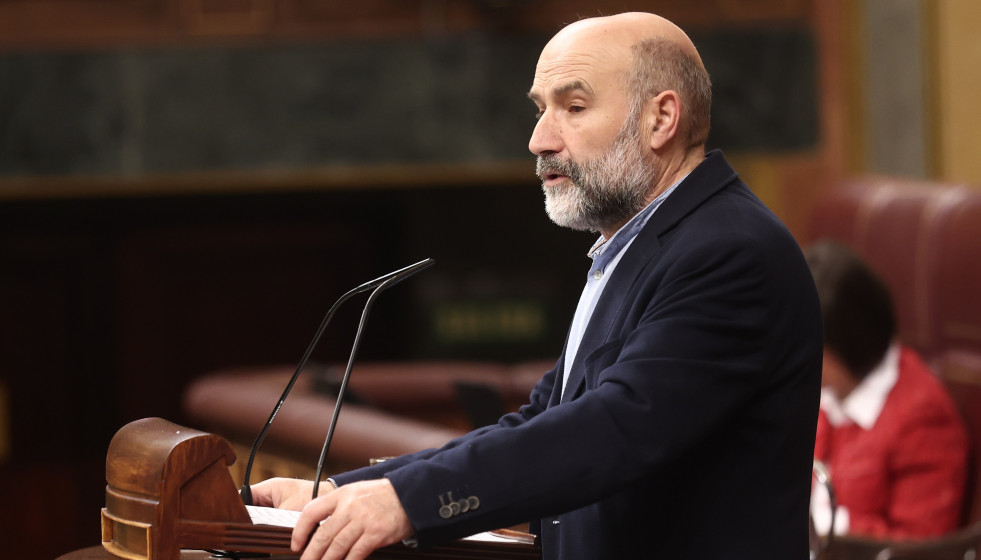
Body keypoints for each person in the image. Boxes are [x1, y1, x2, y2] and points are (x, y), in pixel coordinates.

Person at [252, 12, 823, 560]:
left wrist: (408, 503)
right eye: (540, 110)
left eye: (572, 107)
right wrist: (343, 493)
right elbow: (540, 421)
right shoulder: (638, 247)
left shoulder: (730, 252)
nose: (539, 139)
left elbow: (613, 429)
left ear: (660, 119)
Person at [807, 239, 969, 539]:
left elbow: (918, 545)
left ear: (848, 342)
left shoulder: (923, 416)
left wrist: (823, 525)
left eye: (812, 347)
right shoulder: (823, 389)